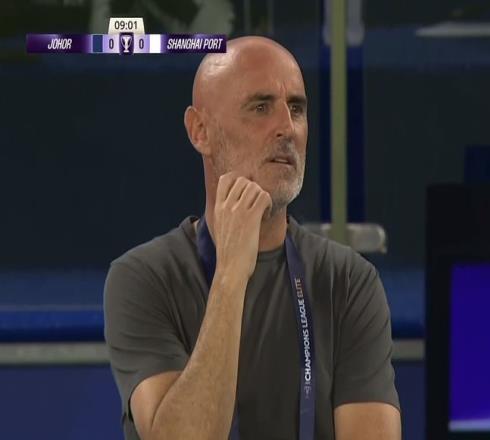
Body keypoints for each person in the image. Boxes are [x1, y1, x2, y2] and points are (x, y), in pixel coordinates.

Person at [104, 36, 401, 440]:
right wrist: (230, 275)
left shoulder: (347, 281)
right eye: (261, 107)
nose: (287, 128)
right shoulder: (145, 278)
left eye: (296, 108)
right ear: (200, 131)